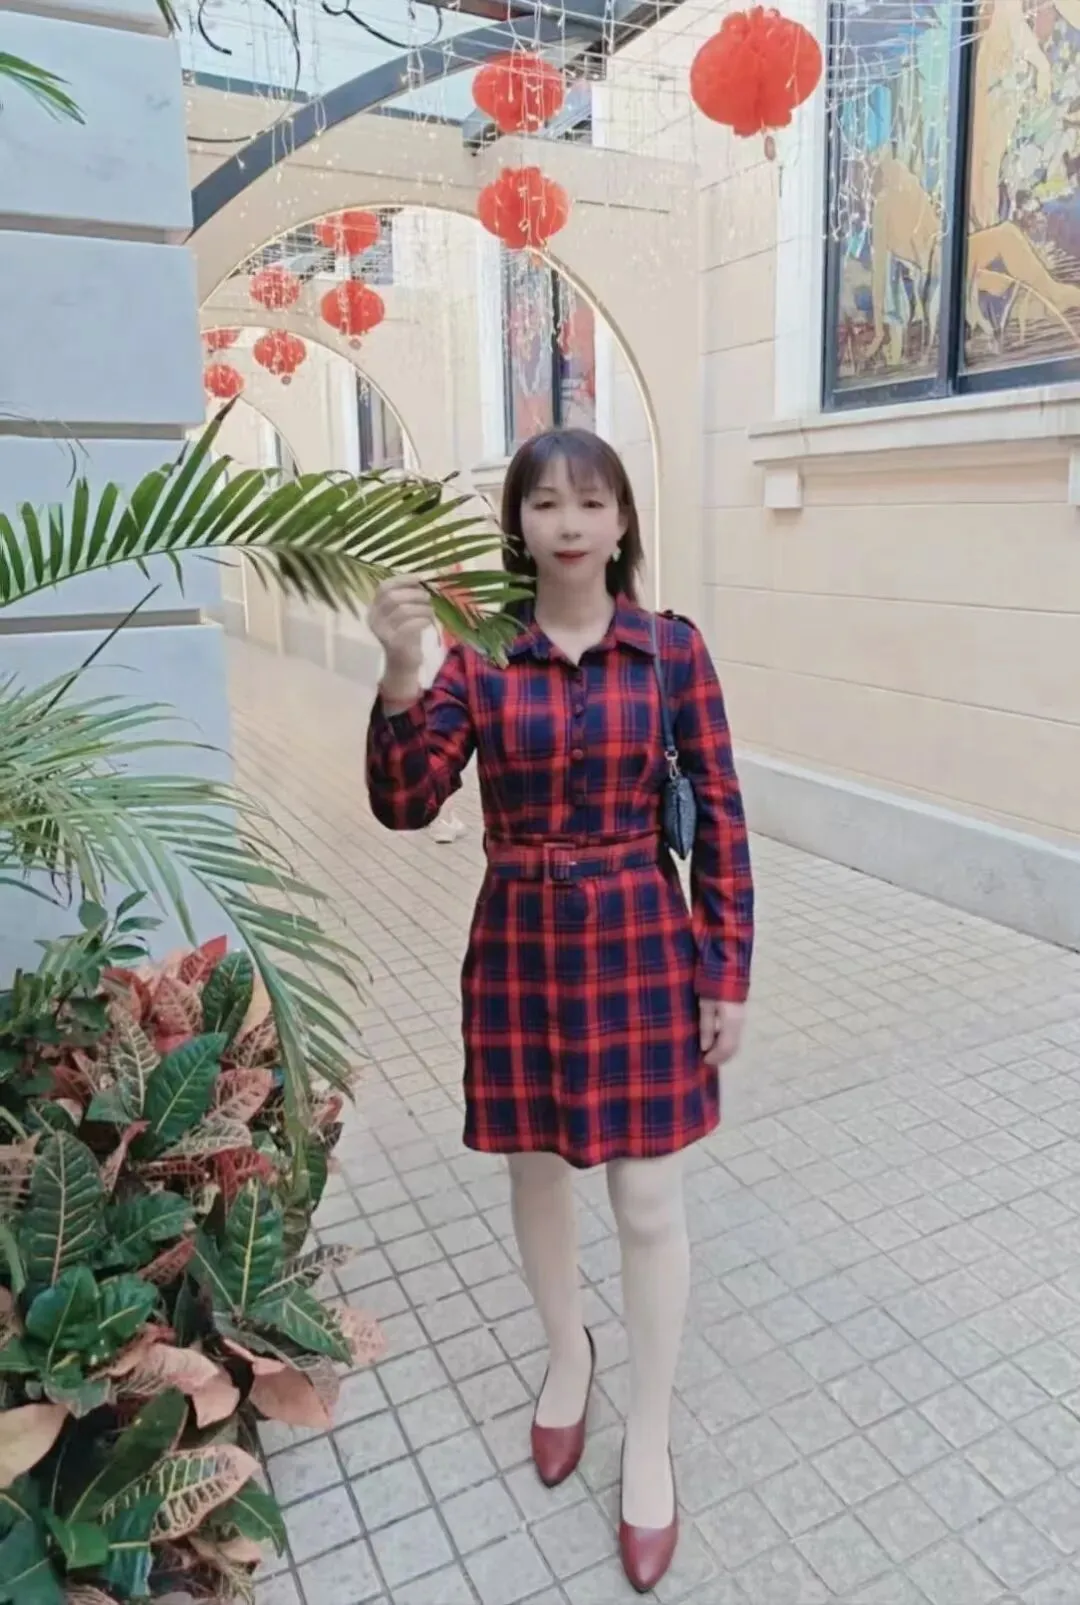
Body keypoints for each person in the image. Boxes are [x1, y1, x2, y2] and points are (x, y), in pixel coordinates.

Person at [365, 428, 754, 1593]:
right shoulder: (481, 658)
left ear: (623, 521)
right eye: (545, 502)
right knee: (535, 1171)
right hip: (522, 942)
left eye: (591, 501)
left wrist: (726, 972)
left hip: (641, 936)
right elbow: (407, 801)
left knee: (647, 1198)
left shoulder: (672, 652)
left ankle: (648, 1431)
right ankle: (566, 1357)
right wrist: (400, 675)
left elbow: (722, 819)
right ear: (519, 526)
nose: (570, 522)